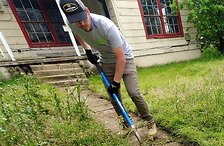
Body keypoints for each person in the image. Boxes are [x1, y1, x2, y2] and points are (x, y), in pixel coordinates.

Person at [59, 0, 157, 136]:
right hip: (106, 61)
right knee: (114, 97)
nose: (81, 24)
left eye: (82, 19)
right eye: (77, 21)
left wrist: (116, 82)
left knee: (133, 92)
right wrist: (87, 51)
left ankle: (149, 121)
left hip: (125, 59)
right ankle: (126, 126)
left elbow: (121, 58)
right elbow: (78, 34)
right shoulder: (73, 23)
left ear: (87, 11)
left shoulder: (106, 26)